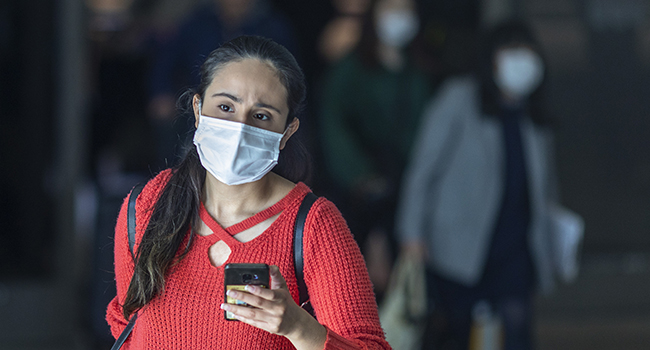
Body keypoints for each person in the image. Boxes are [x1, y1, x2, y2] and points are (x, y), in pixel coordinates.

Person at [106, 35, 391, 350]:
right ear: (198, 109)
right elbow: (128, 323)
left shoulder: (313, 228)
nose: (239, 128)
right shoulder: (148, 204)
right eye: (225, 106)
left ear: (287, 133)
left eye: (262, 116)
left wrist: (298, 328)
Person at [396, 20, 557, 350]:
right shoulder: (459, 98)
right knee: (457, 333)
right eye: (511, 50)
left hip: (516, 245)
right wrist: (412, 233)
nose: (521, 60)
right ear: (492, 58)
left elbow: (545, 185)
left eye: (527, 51)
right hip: (459, 245)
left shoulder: (534, 114)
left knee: (518, 333)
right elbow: (423, 169)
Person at [318, 0, 432, 299]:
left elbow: (425, 134)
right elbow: (334, 126)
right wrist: (362, 176)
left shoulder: (420, 69)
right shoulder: (350, 68)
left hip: (409, 191)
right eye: (392, 10)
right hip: (357, 193)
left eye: (407, 10)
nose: (400, 18)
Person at [147, 0, 297, 169]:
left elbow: (289, 78)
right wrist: (161, 91)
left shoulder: (272, 26)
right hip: (202, 102)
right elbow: (168, 60)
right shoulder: (199, 22)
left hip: (254, 103)